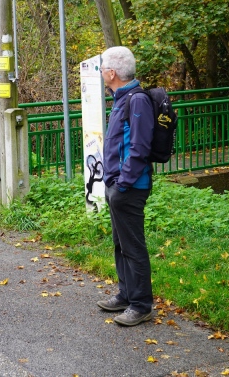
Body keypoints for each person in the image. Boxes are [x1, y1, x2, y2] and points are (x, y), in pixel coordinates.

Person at [97, 46, 156, 326]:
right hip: (118, 186)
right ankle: (125, 294)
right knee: (121, 244)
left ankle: (141, 304)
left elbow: (140, 147)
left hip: (130, 188)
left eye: (102, 68)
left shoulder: (137, 100)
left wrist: (122, 185)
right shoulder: (120, 98)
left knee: (133, 246)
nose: (101, 73)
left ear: (112, 72)